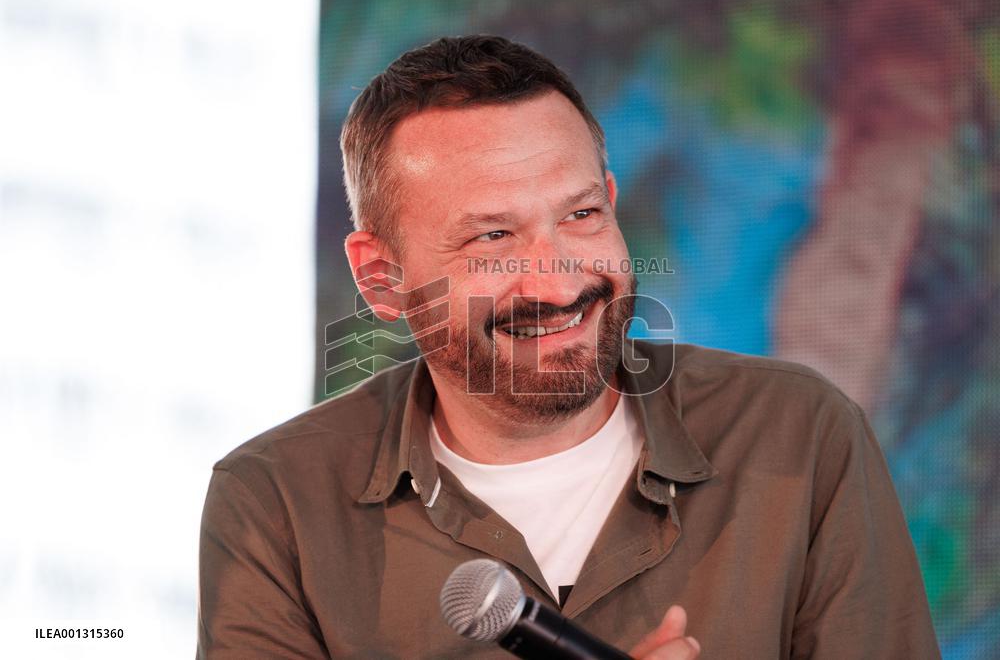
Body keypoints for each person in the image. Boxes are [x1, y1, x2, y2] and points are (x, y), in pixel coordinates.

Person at [197, 35, 940, 659]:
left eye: (581, 215)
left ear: (612, 203)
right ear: (380, 277)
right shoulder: (277, 500)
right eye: (493, 236)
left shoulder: (801, 434)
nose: (557, 283)